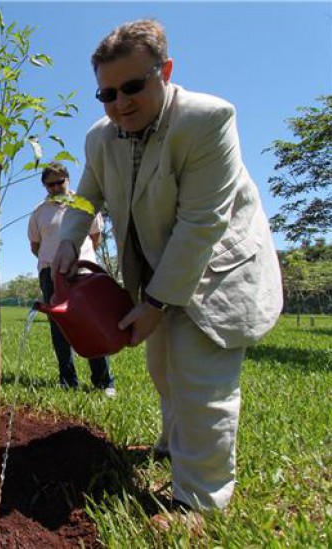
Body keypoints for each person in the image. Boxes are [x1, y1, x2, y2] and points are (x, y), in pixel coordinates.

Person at [53, 19, 282, 515]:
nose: (120, 103)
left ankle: (199, 502)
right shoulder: (99, 138)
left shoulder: (207, 119)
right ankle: (172, 444)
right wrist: (69, 241)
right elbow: (86, 199)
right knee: (162, 368)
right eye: (107, 94)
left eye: (133, 86)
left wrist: (157, 302)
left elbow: (202, 223)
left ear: (166, 71)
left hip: (218, 266)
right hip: (158, 270)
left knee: (199, 378)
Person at [28, 162, 116, 396]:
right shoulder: (39, 211)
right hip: (51, 274)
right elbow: (35, 245)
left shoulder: (83, 205)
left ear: (68, 179)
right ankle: (67, 381)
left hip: (82, 272)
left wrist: (78, 258)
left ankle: (104, 381)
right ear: (44, 186)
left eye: (60, 182)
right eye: (50, 184)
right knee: (59, 328)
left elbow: (95, 237)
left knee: (91, 324)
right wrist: (54, 263)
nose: (56, 187)